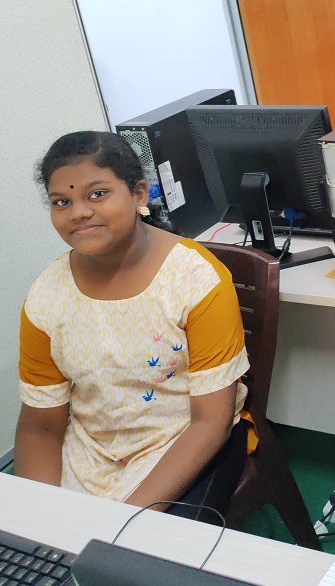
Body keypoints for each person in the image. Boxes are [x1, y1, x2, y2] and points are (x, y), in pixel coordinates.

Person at [15, 131, 251, 519]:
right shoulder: (46, 296)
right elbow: (39, 426)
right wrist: (42, 516)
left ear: (139, 195)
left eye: (97, 194)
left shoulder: (195, 279)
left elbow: (211, 422)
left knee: (129, 563)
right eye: (62, 201)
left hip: (182, 440)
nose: (78, 212)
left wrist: (127, 520)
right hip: (91, 449)